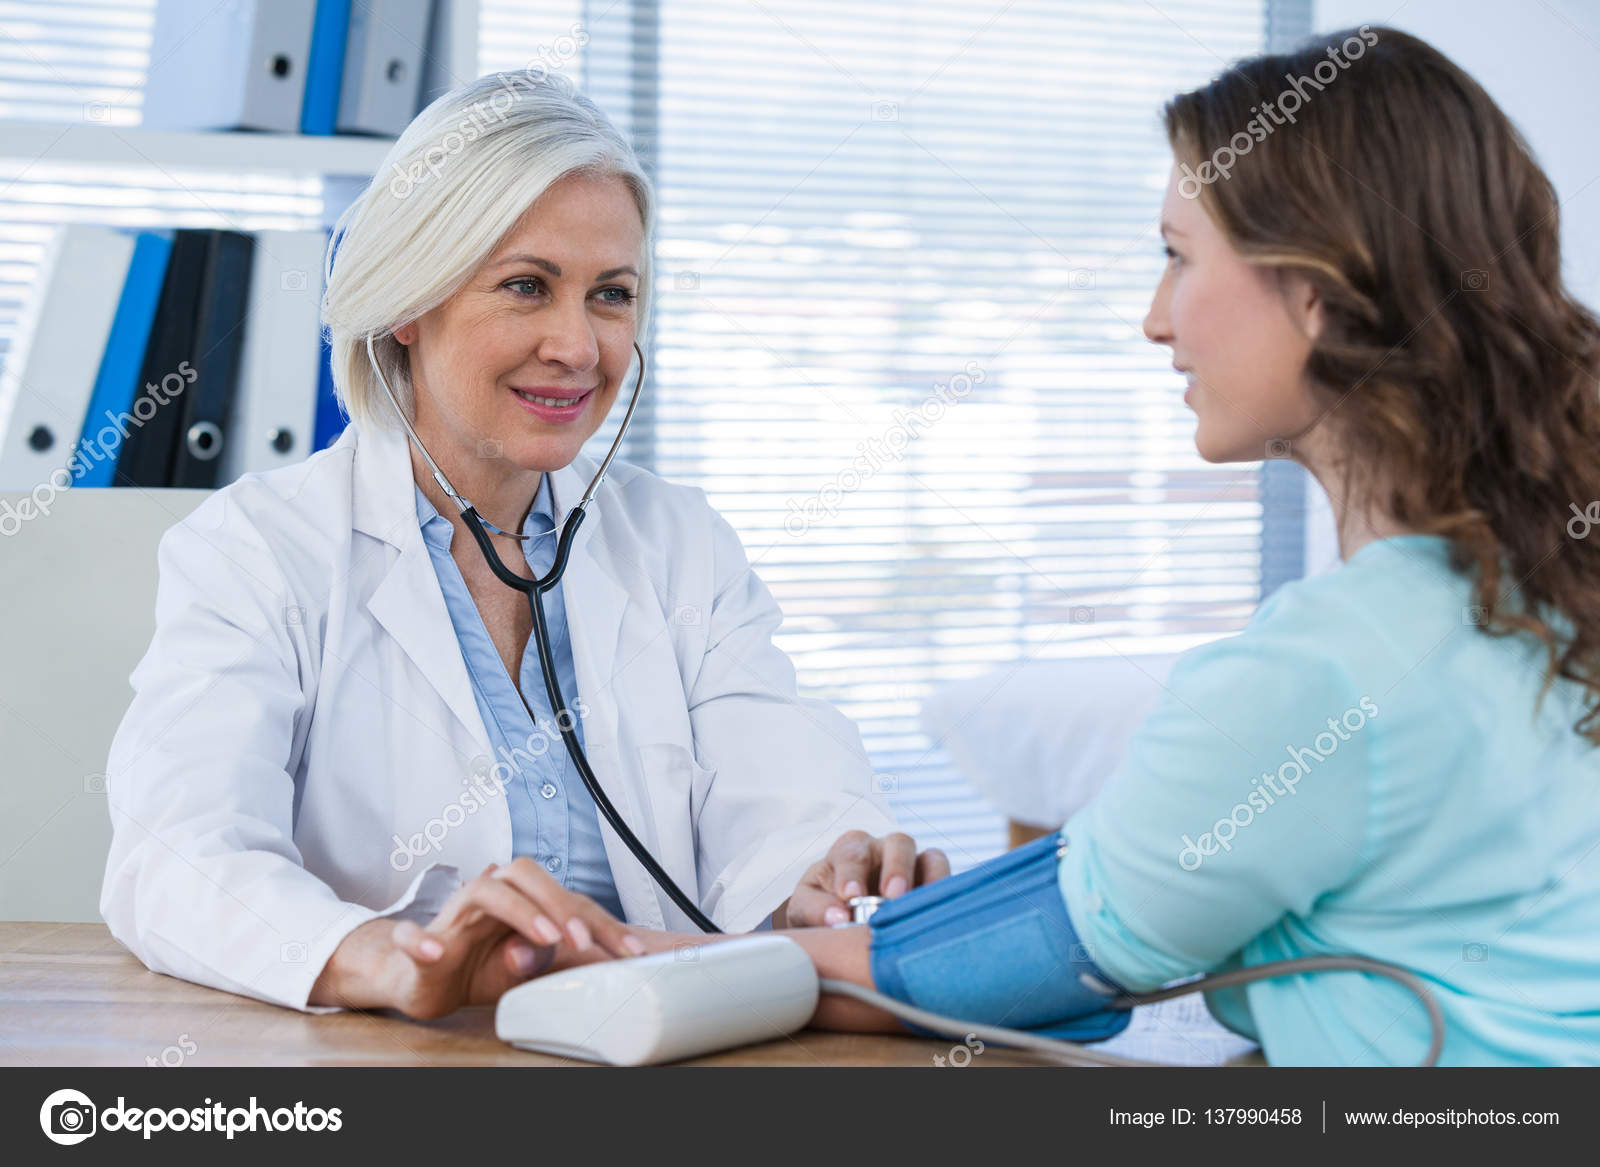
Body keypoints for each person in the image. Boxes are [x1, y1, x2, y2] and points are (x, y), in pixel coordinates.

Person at [614, 27, 1600, 1065]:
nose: (1152, 320)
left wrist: (620, 959)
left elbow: (1014, 960)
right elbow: (1080, 888)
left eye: (1178, 259)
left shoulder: (1328, 669)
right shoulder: (1540, 587)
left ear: (1313, 291)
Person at [99, 70, 947, 1021]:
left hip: (659, 1049)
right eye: (527, 287)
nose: (578, 346)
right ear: (407, 305)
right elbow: (173, 855)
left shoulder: (679, 546)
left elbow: (788, 792)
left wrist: (829, 871)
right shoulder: (258, 549)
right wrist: (385, 958)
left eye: (612, 295)